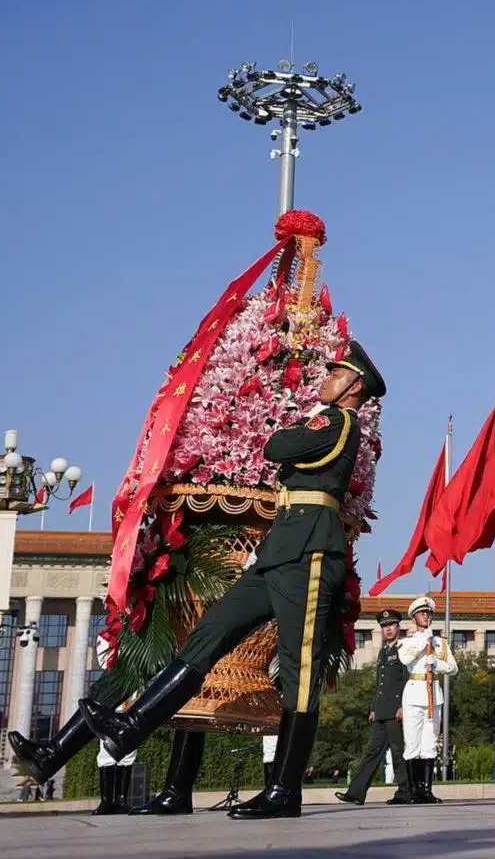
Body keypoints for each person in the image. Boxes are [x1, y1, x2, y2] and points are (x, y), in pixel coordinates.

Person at [79, 341, 386, 821]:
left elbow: (276, 447)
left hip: (309, 552)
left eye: (334, 375)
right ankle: (132, 726)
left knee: (298, 671)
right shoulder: (325, 424)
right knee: (210, 630)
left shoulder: (338, 422)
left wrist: (296, 432)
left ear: (355, 386)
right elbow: (284, 457)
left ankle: (285, 791)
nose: (324, 380)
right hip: (278, 551)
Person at [335, 608, 411, 806]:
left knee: (397, 751)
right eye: (384, 626)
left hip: (395, 710)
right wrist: (373, 708)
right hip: (381, 712)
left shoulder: (403, 649)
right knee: (372, 752)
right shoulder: (383, 652)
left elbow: (406, 680)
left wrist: (402, 706)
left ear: (398, 627)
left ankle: (405, 792)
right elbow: (380, 684)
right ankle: (356, 793)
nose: (388, 629)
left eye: (391, 625)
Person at [397, 596, 458, 805]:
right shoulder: (406, 641)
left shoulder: (440, 643)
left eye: (429, 613)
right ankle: (413, 790)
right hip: (414, 694)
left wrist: (437, 665)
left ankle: (426, 790)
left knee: (430, 745)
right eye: (423, 613)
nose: (426, 616)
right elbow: (405, 660)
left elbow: (452, 667)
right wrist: (424, 642)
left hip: (434, 694)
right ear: (414, 617)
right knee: (412, 745)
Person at [91, 636, 137, 816]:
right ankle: (106, 801)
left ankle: (121, 800)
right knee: (106, 752)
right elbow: (105, 662)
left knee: (129, 752)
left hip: (131, 702)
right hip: (110, 702)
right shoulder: (107, 635)